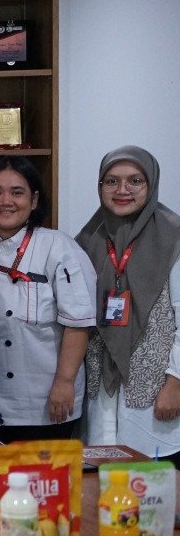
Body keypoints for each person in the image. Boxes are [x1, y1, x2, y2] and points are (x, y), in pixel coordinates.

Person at [0, 156, 96, 442]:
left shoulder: (59, 247)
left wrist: (65, 382)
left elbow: (78, 323)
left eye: (17, 192)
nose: (6, 201)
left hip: (46, 398)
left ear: (34, 201)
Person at [76, 146, 180, 457]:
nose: (122, 190)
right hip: (100, 390)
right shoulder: (88, 238)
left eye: (135, 181)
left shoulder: (174, 238)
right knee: (102, 477)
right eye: (111, 181)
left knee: (151, 479)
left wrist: (175, 383)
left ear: (151, 184)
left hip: (156, 390)